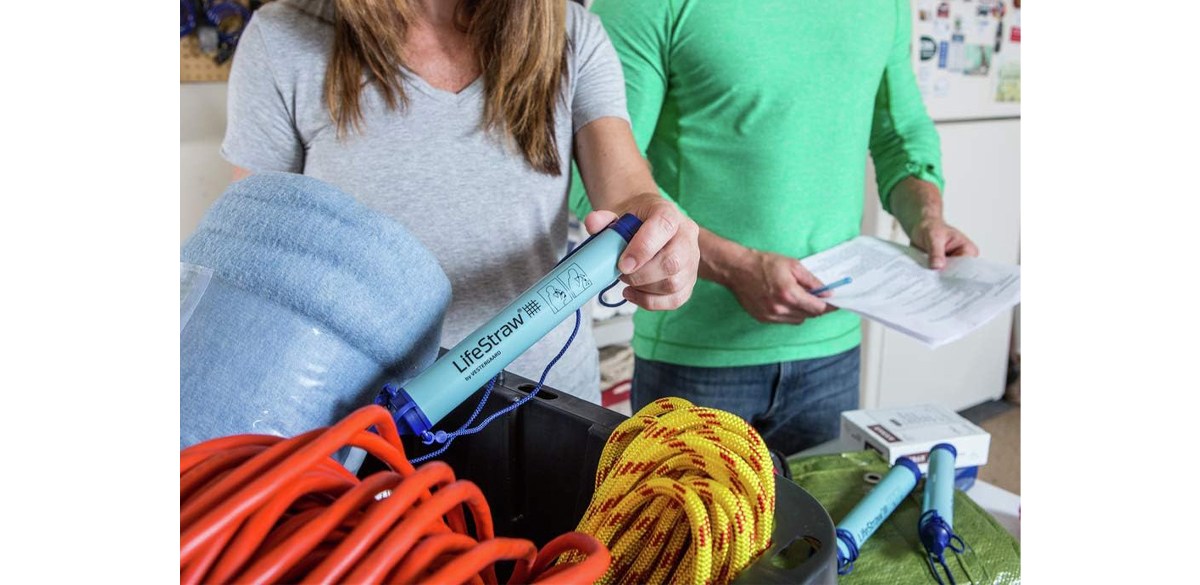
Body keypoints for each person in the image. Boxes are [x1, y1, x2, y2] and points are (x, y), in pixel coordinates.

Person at [221, 0, 700, 406]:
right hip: (358, 415)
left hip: (545, 402)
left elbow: (628, 191)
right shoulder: (281, 39)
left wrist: (659, 229)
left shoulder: (572, 31)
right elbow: (253, 267)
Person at [573, 0, 979, 455]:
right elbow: (597, 180)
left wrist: (926, 216)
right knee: (688, 528)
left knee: (822, 525)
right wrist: (733, 266)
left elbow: (899, 135)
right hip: (695, 354)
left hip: (833, 345)